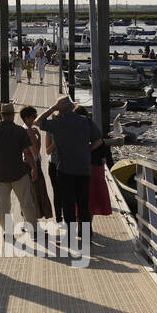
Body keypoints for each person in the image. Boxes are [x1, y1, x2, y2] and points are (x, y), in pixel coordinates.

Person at [35, 94, 101, 251]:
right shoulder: (85, 121)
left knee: (68, 204)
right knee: (83, 204)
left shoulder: (57, 122)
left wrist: (53, 108)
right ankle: (86, 238)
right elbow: (98, 140)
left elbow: (38, 122)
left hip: (65, 168)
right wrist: (86, 150)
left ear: (60, 109)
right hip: (84, 168)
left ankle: (71, 238)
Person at [0, 101, 37, 233]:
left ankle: (7, 232)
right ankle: (34, 231)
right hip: (19, 173)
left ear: (1, 115)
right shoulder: (19, 131)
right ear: (12, 115)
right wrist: (34, 168)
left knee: (4, 207)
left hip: (1, 174)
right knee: (26, 203)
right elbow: (27, 152)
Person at [19, 105, 52, 219]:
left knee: (28, 193)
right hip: (33, 164)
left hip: (25, 163)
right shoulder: (30, 132)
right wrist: (38, 137)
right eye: (34, 116)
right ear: (27, 118)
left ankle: (27, 219)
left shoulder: (22, 129)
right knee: (37, 192)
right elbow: (36, 150)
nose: (36, 118)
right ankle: (33, 219)